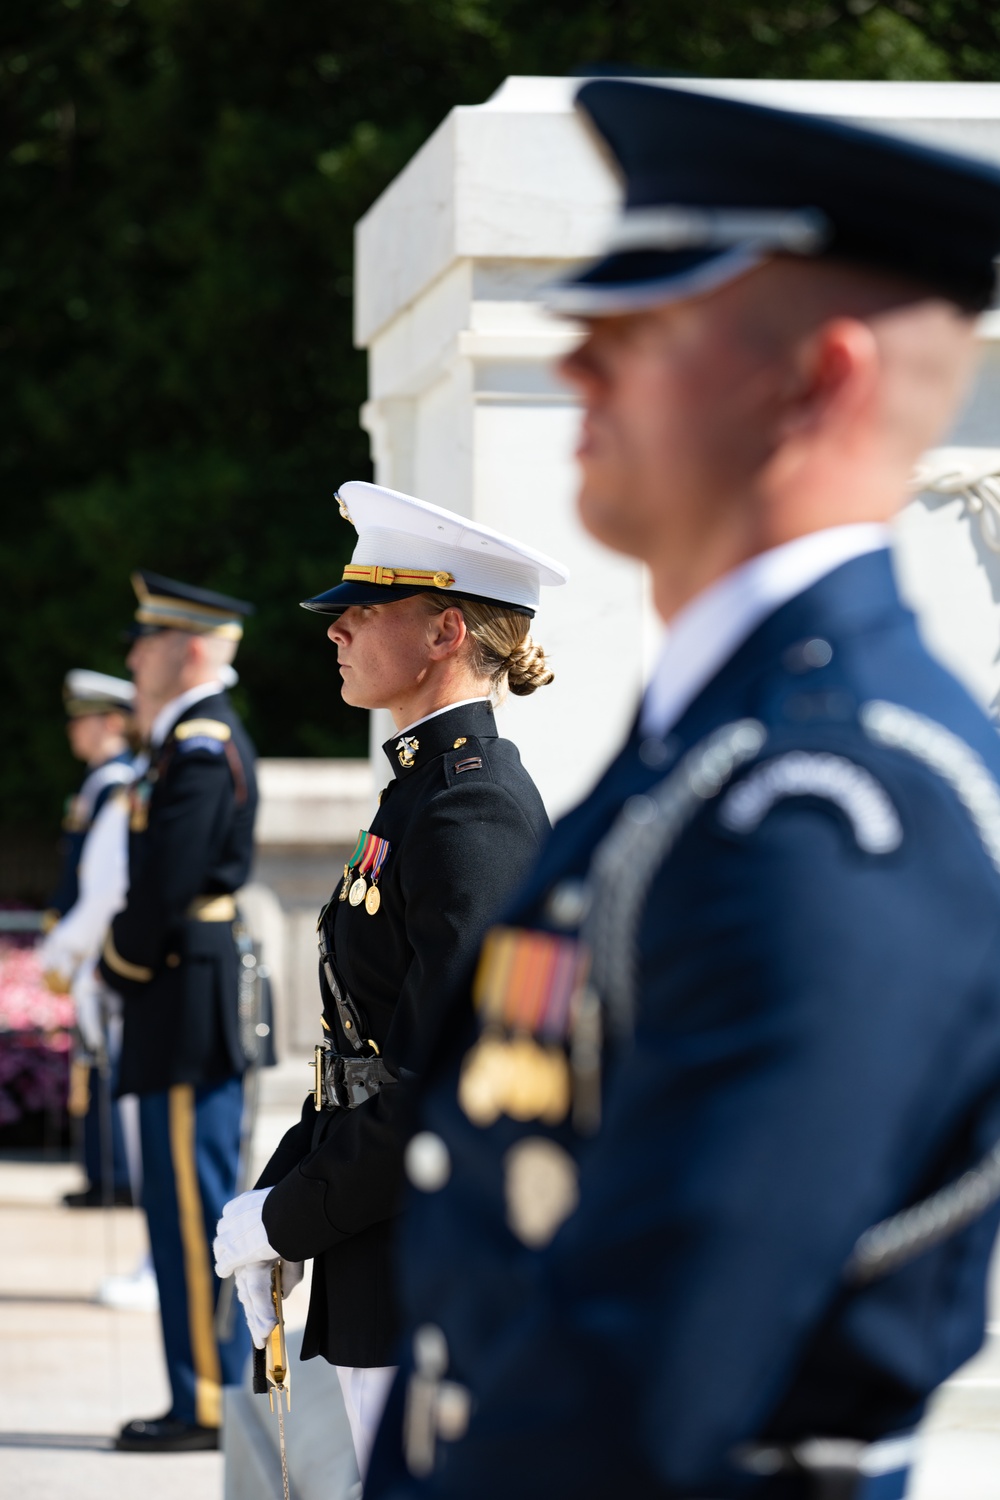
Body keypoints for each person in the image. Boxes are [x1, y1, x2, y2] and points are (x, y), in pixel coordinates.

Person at [362, 83, 1000, 1500]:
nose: (577, 364)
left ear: (819, 379)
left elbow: (645, 1390)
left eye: (638, 331)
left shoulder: (835, 812)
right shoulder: (724, 745)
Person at [214, 481, 567, 1478]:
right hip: (390, 1239)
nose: (337, 631)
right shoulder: (420, 797)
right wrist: (288, 1184)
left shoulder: (470, 815)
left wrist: (292, 1214)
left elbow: (449, 1080)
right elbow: (362, 1049)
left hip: (438, 1265)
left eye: (364, 612)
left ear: (445, 630)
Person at [98, 571, 258, 1453]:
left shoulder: (198, 746)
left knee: (193, 1209)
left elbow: (164, 889)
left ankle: (205, 1398)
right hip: (179, 995)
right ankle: (200, 1388)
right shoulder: (184, 743)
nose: (132, 655)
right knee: (180, 1207)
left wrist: (117, 965)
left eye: (146, 640)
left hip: (183, 1001)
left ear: (189, 649)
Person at [40, 670, 137, 1208]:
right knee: (96, 1058)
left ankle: (116, 1174)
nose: (75, 730)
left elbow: (101, 881)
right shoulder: (102, 782)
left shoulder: (116, 784)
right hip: (89, 940)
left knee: (108, 1059)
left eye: (84, 719)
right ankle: (106, 1172)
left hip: (103, 943)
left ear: (112, 722)